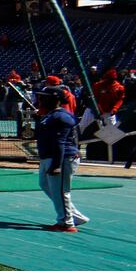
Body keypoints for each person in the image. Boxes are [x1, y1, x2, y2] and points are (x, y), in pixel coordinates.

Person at [36, 86, 89, 231]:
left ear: (55, 100)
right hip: (48, 156)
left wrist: (56, 165)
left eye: (44, 97)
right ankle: (75, 217)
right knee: (45, 185)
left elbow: (60, 142)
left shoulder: (61, 117)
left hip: (62, 157)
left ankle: (66, 223)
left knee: (60, 190)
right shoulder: (49, 115)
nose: (40, 100)